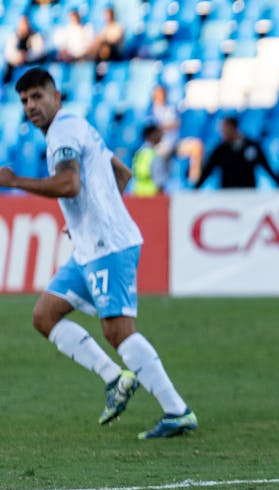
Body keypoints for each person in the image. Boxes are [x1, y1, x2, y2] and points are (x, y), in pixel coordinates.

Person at [0, 68, 197, 439]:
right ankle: (115, 379)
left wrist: (15, 182)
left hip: (107, 246)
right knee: (45, 315)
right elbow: (119, 173)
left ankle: (177, 410)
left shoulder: (62, 132)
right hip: (93, 245)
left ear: (56, 97)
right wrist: (90, 219)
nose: (30, 106)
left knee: (118, 331)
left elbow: (69, 184)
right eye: (24, 100)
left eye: (38, 97)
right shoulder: (78, 126)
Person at [193, 116, 279, 189]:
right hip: (228, 194)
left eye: (225, 130)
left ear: (233, 128)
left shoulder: (252, 146)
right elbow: (208, 170)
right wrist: (195, 189)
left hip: (248, 194)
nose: (223, 133)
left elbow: (266, 167)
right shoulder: (220, 150)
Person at [4, 16, 47, 83]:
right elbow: (9, 53)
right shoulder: (14, 36)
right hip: (17, 63)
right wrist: (19, 57)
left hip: (32, 63)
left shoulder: (36, 35)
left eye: (25, 23)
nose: (24, 26)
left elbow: (39, 52)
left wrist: (26, 56)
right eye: (22, 23)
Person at [131, 124, 168, 196]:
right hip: (153, 195)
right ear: (151, 135)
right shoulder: (154, 156)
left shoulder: (139, 153)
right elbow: (159, 181)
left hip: (137, 193)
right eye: (158, 133)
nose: (161, 135)